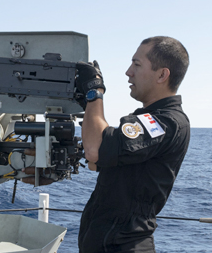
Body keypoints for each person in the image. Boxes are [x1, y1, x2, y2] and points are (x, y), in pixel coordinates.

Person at [76, 36, 190, 252]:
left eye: (137, 64)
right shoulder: (150, 118)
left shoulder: (165, 122)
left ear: (162, 75)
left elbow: (93, 151)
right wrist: (89, 103)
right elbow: (96, 162)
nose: (129, 71)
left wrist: (95, 91)